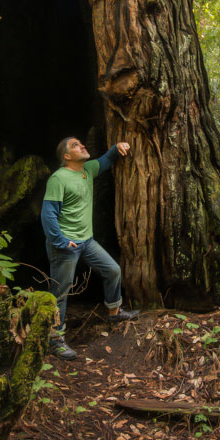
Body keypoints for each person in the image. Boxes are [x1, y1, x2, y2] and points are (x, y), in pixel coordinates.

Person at [40, 136, 139, 360]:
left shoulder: (88, 170)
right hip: (66, 245)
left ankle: (114, 313)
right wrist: (60, 241)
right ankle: (54, 339)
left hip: (87, 241)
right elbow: (48, 214)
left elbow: (106, 159)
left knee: (113, 270)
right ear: (66, 156)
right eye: (75, 145)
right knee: (60, 292)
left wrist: (118, 147)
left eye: (81, 143)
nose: (82, 146)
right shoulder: (59, 178)